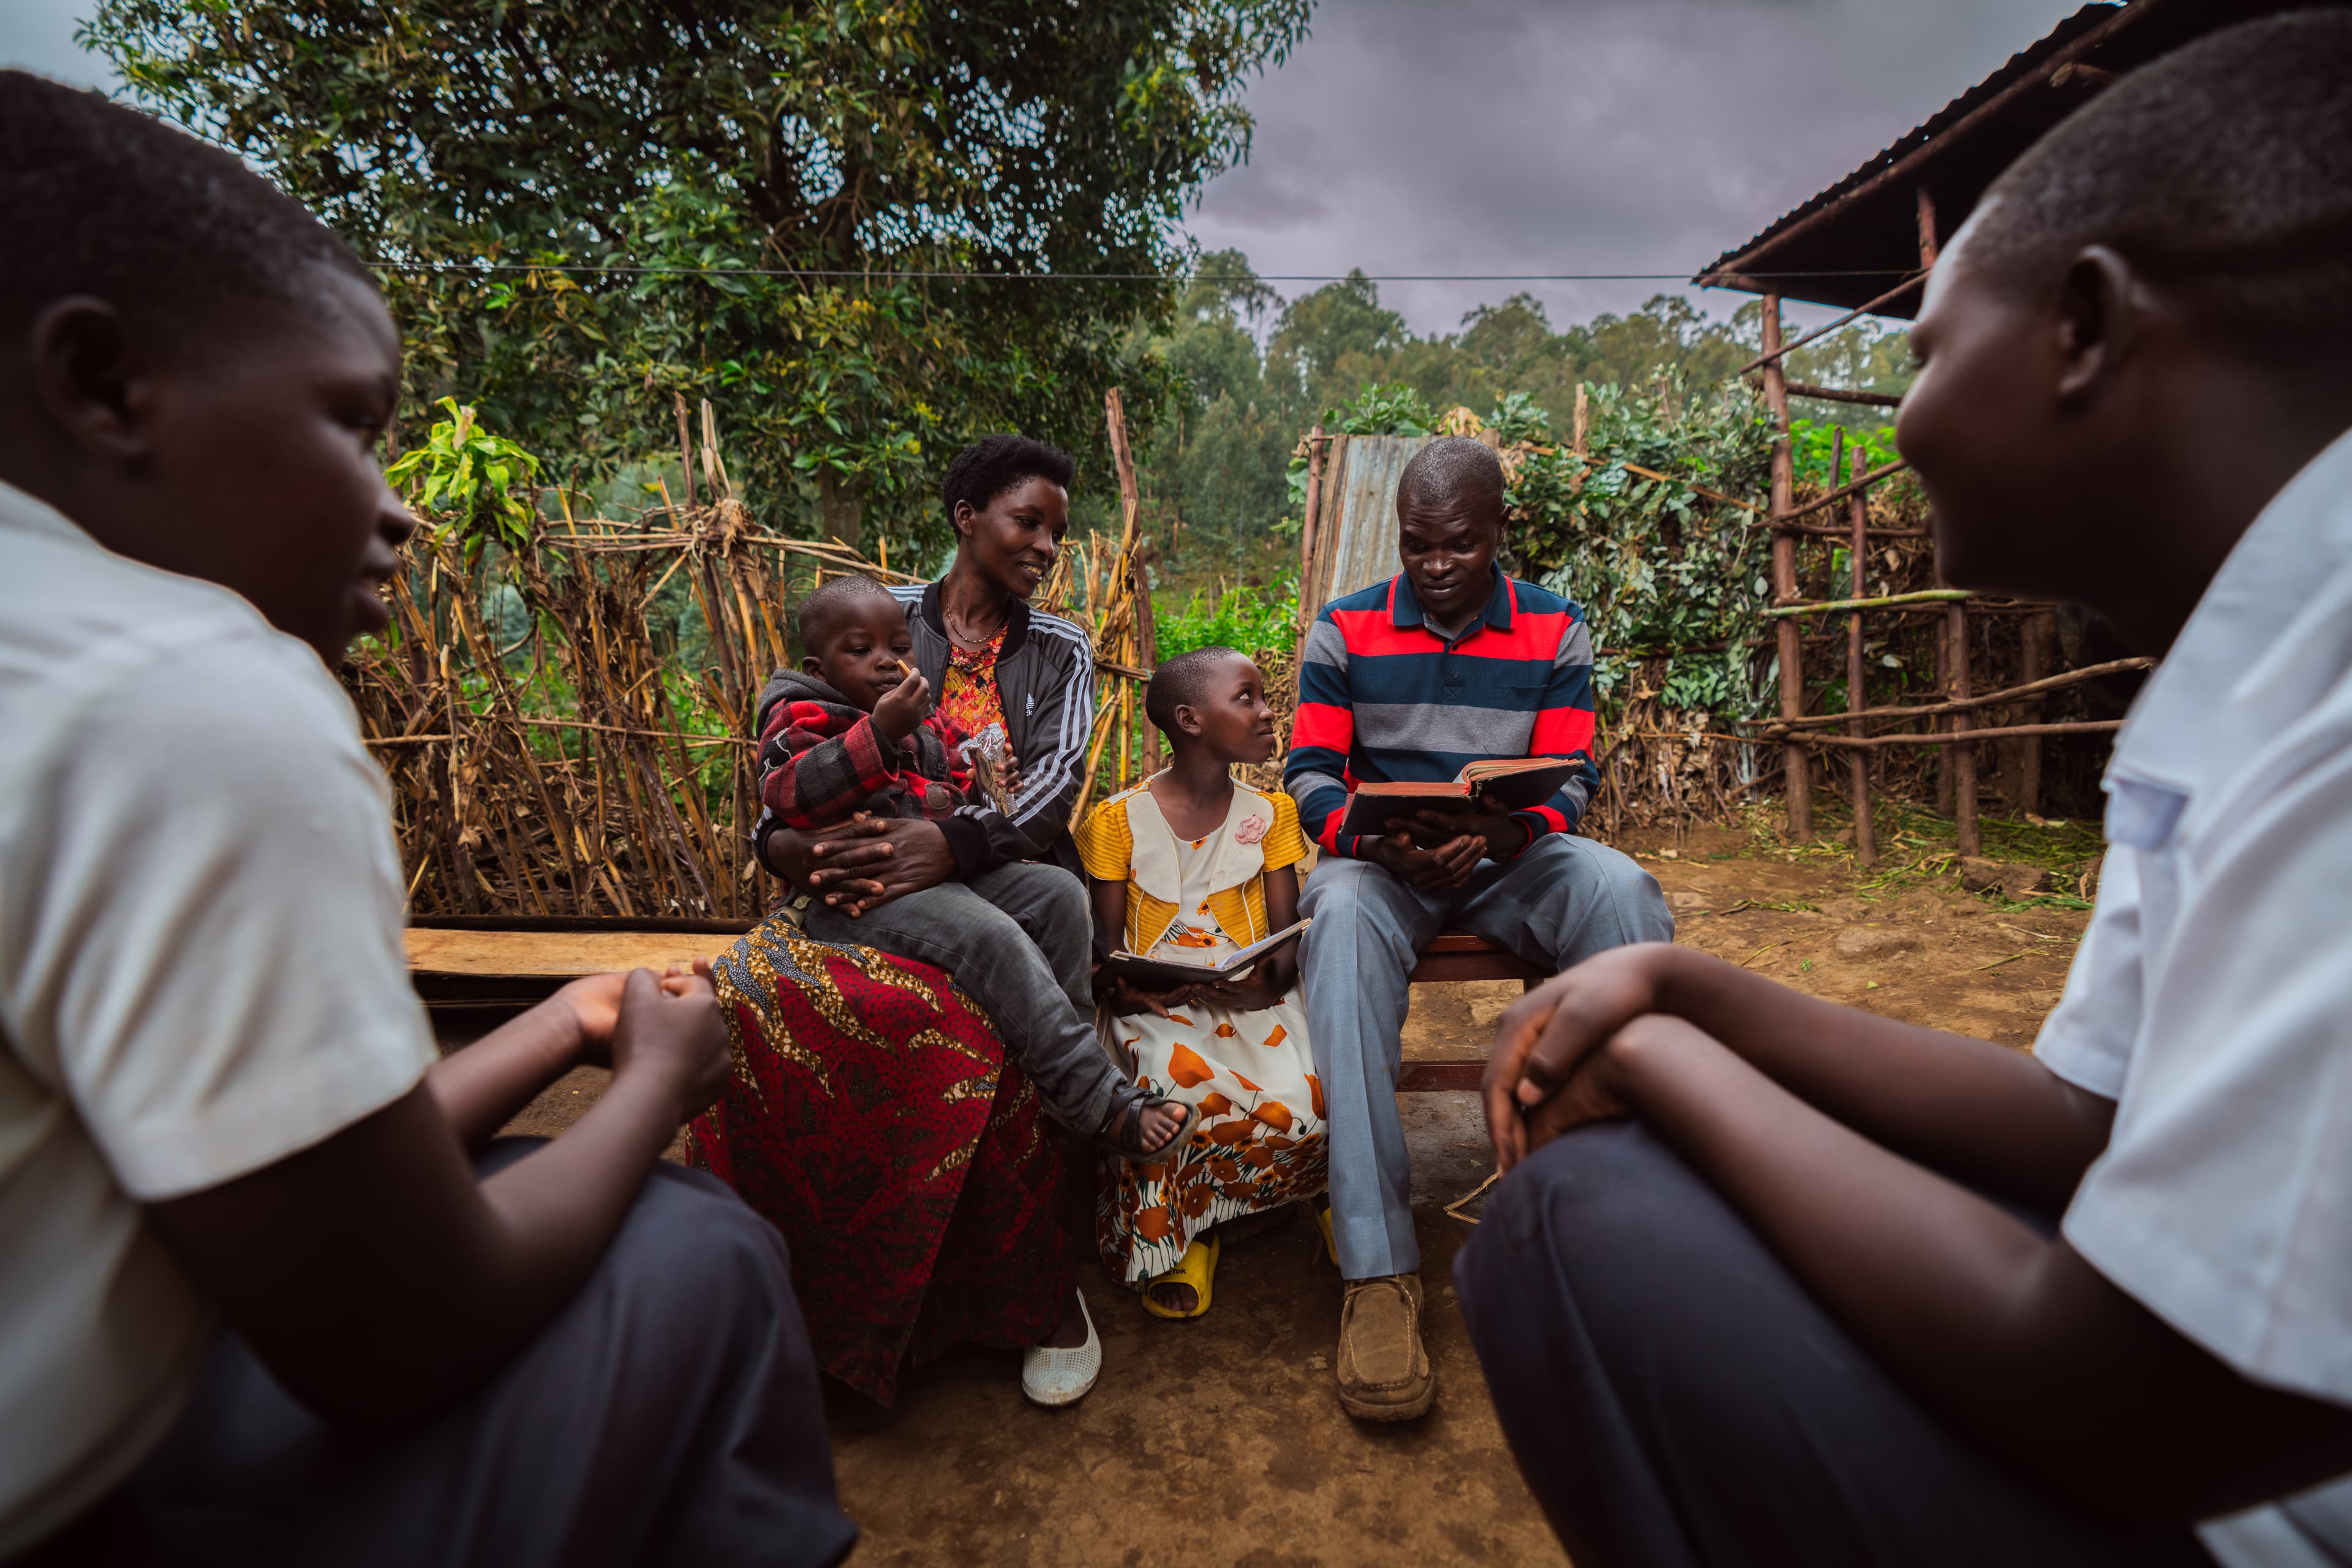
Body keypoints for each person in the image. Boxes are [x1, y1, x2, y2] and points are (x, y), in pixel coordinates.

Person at [1460, 16, 2352, 1567]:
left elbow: (2137, 1398)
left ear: (2080, 326)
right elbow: (2089, 1117)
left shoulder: (2323, 699)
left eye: (1923, 350)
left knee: (1573, 1218)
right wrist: (1685, 981)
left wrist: (1669, 1064)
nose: (1900, 415)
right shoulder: (2237, 675)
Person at [0, 72, 853, 1567]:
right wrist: (658, 1081)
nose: (398, 508)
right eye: (352, 424)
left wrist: (566, 1022)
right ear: (102, 385)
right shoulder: (178, 696)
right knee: (695, 1247)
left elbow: (273, 1186)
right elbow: (395, 1328)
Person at [698, 435, 1115, 1408]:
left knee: (1031, 931)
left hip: (997, 878)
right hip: (861, 885)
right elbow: (784, 771)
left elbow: (1050, 791)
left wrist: (955, 846)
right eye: (1029, 520)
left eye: (1057, 529)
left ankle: (1047, 1239)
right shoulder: (875, 625)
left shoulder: (1060, 652)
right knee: (771, 1007)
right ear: (967, 518)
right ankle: (847, 1298)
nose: (1048, 544)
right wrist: (789, 851)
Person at [1283, 435, 1674, 1422]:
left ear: (1499, 531)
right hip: (1389, 868)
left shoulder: (1556, 628)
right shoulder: (1344, 628)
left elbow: (1571, 778)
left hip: (1509, 863)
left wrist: (1511, 830)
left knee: (1622, 892)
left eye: (1457, 544)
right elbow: (1312, 778)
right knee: (1335, 915)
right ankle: (1377, 1269)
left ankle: (1618, 1221)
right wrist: (1373, 844)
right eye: (1417, 545)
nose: (1435, 565)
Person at [754, 573, 1187, 1158]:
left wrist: (985, 778)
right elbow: (787, 793)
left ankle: (1069, 1069)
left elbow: (951, 769)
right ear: (819, 666)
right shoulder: (800, 711)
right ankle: (1099, 1101)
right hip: (857, 894)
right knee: (991, 936)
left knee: (1059, 894)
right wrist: (878, 733)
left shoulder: (934, 707)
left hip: (935, 869)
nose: (887, 663)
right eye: (862, 651)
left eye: (899, 649)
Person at [1077, 647, 1329, 1317]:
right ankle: (1183, 1233)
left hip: (1250, 988)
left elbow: (1283, 936)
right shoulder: (1116, 818)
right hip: (1155, 1002)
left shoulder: (1272, 814)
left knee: (1310, 1090)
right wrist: (1123, 991)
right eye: (1246, 697)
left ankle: (1303, 1200)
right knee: (1166, 1085)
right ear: (1190, 719)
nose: (1268, 709)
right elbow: (1105, 949)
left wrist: (1262, 990)